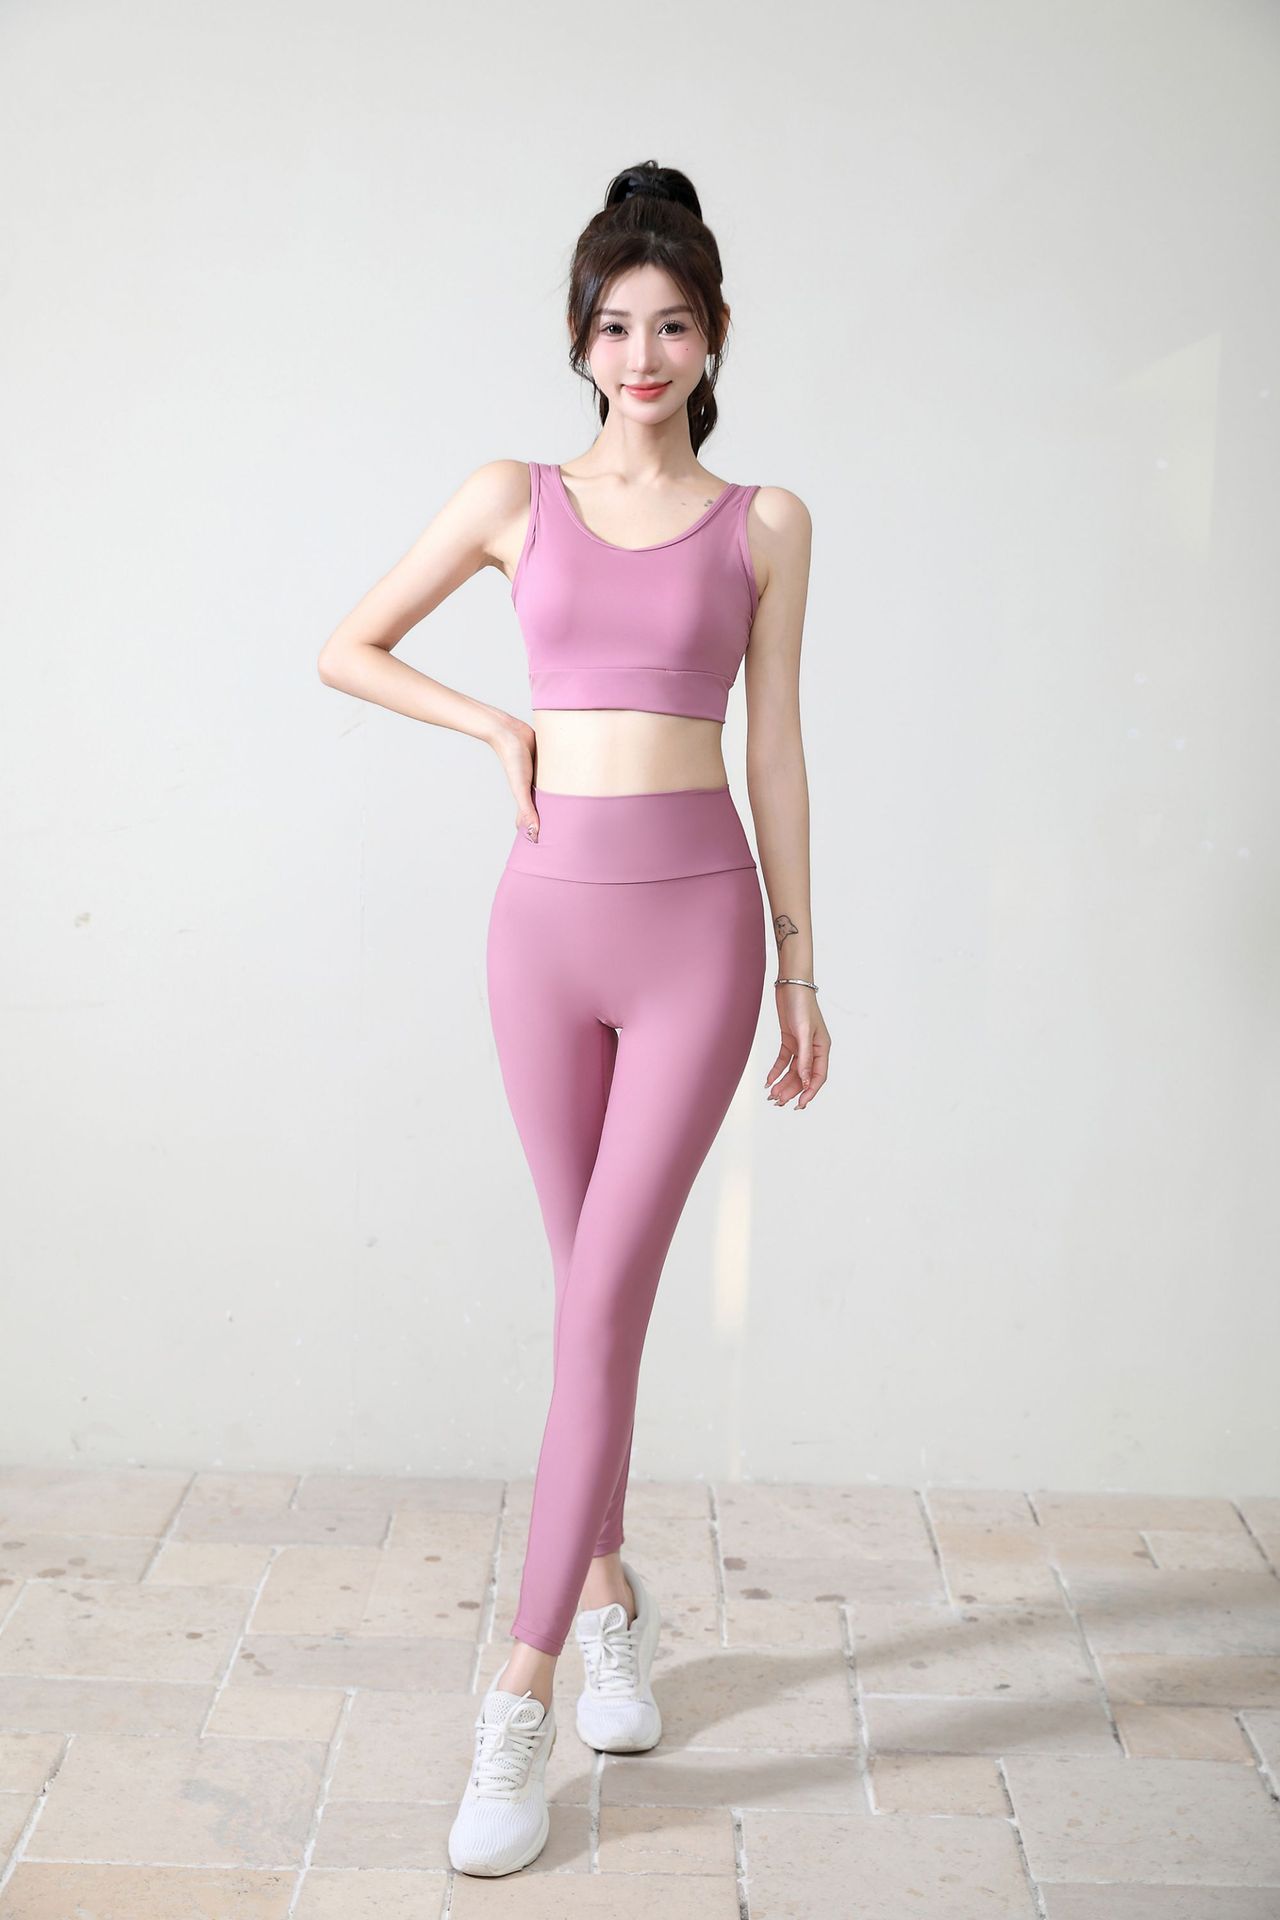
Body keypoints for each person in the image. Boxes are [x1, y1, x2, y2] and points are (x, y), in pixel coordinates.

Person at [317, 156, 829, 1878]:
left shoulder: (766, 523)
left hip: (698, 938)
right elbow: (348, 646)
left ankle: (520, 1694)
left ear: (714, 336)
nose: (644, 354)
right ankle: (610, 1596)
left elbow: (775, 752)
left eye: (672, 325)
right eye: (616, 326)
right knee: (582, 1303)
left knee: (600, 1308)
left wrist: (803, 967)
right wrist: (493, 727)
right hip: (540, 934)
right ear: (579, 338)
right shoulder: (511, 495)